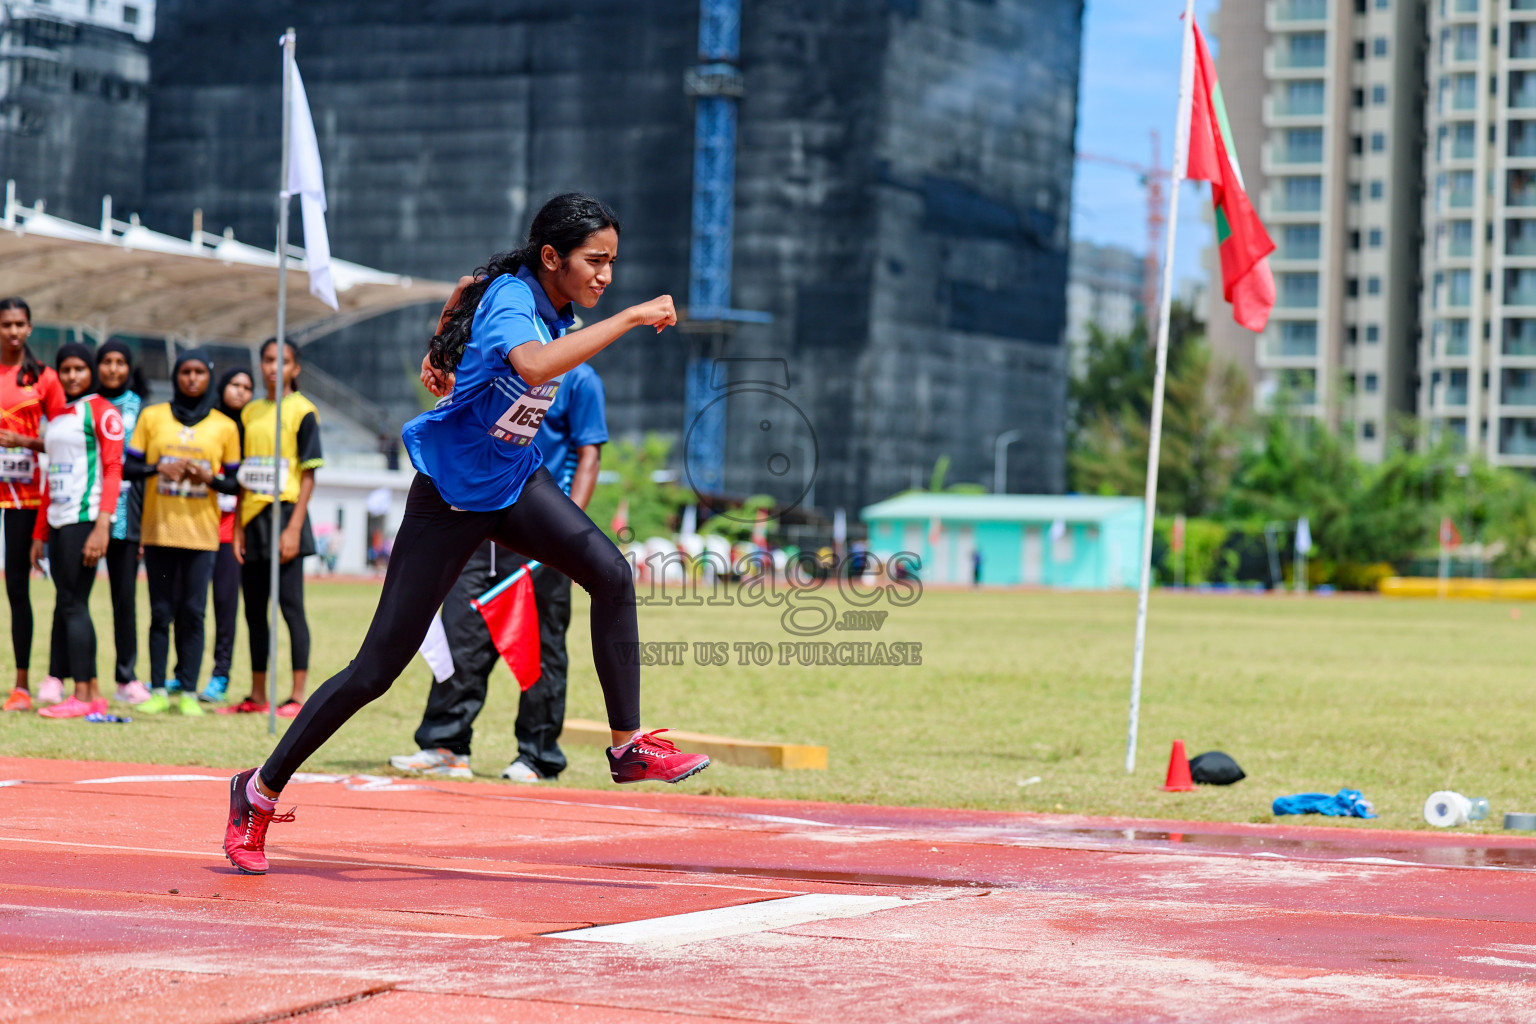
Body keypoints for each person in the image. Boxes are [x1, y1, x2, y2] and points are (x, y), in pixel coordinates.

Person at [223, 192, 709, 876]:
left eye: (613, 265)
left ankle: (627, 746)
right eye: (595, 262)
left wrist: (441, 342)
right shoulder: (515, 298)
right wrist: (630, 317)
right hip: (450, 498)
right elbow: (535, 367)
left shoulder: (541, 299)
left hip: (515, 482)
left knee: (611, 572)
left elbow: (462, 289)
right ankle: (258, 789)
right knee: (375, 670)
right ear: (552, 258)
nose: (605, 276)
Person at [390, 357, 608, 782]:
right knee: (460, 633)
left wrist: (567, 537)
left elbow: (590, 455)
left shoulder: (580, 378)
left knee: (540, 645)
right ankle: (446, 745)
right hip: (477, 521)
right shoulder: (499, 362)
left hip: (538, 528)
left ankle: (538, 754)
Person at [124, 349, 241, 716]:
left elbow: (235, 483)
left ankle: (189, 690)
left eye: (199, 373)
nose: (192, 379)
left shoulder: (224, 426)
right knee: (160, 612)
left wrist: (209, 477)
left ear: (208, 377)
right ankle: (158, 689)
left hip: (201, 535)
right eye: (185, 372)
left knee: (193, 612)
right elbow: (128, 467)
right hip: (159, 532)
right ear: (176, 376)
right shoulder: (152, 416)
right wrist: (161, 467)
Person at [223, 339, 321, 718]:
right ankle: (258, 692)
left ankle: (297, 695)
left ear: (295, 368)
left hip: (287, 517)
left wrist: (294, 528)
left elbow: (310, 473)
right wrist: (237, 530)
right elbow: (245, 474)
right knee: (253, 611)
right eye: (266, 360)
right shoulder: (249, 413)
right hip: (253, 522)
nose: (272, 368)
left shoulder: (303, 411)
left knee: (291, 608)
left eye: (282, 362)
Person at [29, 344, 124, 718]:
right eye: (65, 369)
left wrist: (103, 524)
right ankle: (89, 692)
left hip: (84, 518)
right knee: (68, 603)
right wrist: (39, 533)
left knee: (74, 604)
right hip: (57, 520)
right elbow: (52, 475)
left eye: (80, 369)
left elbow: (114, 469)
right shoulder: (57, 414)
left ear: (92, 372)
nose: (72, 376)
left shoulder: (102, 411)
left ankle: (84, 696)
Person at [0, 298, 66, 713]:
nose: (12, 331)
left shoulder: (44, 378)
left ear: (30, 327)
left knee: (17, 591)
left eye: (19, 324)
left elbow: (65, 439)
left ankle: (21, 685)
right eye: (5, 324)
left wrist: (24, 441)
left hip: (24, 496)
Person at [95, 340, 153, 705]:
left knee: (124, 600)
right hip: (86, 510)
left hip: (126, 518)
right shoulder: (86, 406)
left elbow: (141, 466)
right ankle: (65, 676)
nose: (113, 368)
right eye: (106, 362)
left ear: (129, 367)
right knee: (72, 598)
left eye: (120, 362)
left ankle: (125, 677)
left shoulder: (140, 410)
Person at [202, 367, 254, 704]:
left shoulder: (252, 429)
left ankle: (220, 675)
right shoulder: (203, 424)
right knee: (187, 606)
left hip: (229, 532)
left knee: (225, 605)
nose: (240, 392)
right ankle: (181, 673)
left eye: (247, 387)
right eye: (234, 385)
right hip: (195, 526)